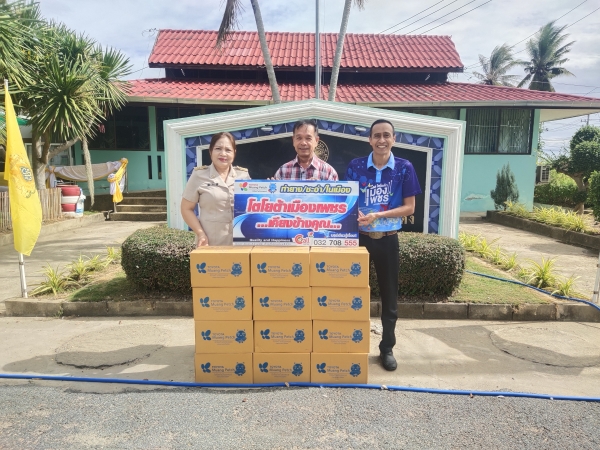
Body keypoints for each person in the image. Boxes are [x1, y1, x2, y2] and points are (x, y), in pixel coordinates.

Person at [345, 119, 422, 371]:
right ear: (369, 139)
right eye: (376, 135)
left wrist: (378, 215)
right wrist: (353, 213)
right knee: (352, 294)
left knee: (389, 297)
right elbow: (346, 200)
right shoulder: (355, 166)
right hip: (359, 241)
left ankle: (387, 348)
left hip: (388, 240)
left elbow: (409, 207)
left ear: (394, 139)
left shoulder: (404, 168)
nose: (381, 140)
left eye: (386, 135)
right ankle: (350, 344)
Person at [181, 132, 250, 247]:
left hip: (240, 244)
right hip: (210, 243)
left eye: (228, 150)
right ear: (210, 151)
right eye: (218, 149)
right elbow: (186, 208)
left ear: (234, 153)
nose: (223, 154)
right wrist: (200, 233)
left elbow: (253, 206)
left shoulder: (243, 176)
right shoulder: (199, 175)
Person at [273, 119, 338, 181]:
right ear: (293, 140)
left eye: (308, 138)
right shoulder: (282, 172)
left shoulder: (329, 173)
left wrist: (318, 186)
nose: (303, 143)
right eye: (299, 138)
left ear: (316, 141)